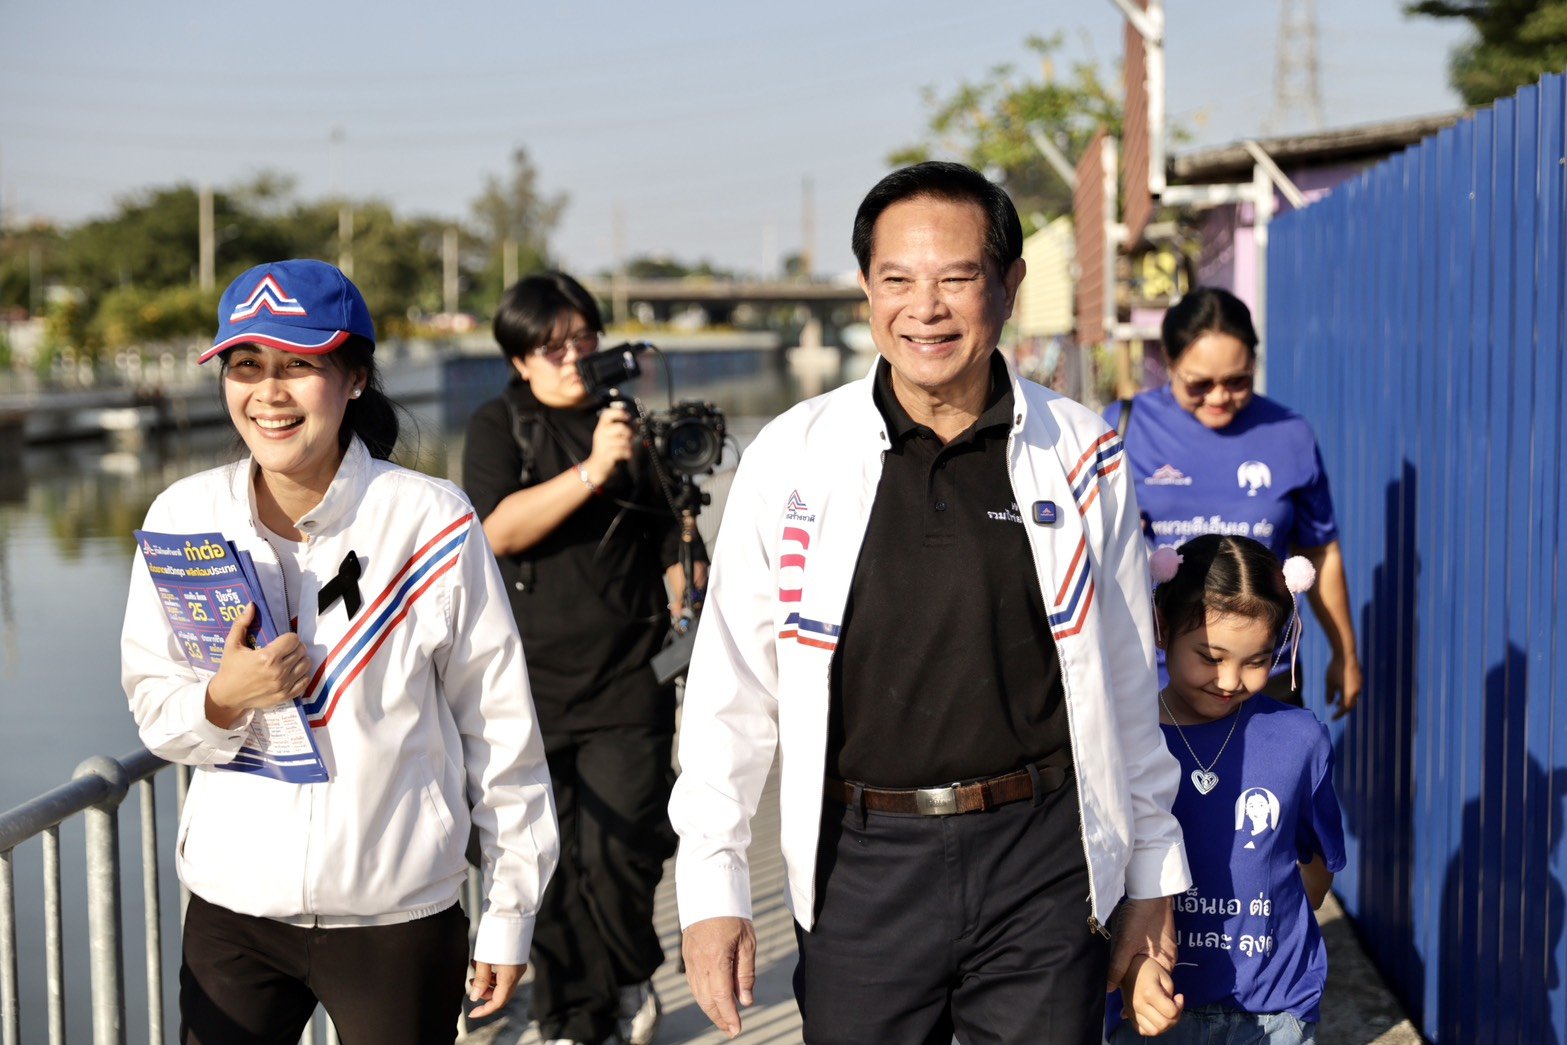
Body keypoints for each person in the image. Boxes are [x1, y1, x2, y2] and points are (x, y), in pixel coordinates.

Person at [670, 161, 1191, 1044]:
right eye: (896, 280)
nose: (925, 308)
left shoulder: (1081, 453)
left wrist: (1151, 874)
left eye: (955, 278)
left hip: (1041, 860)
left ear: (1008, 286)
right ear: (865, 289)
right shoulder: (792, 458)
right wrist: (712, 886)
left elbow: (1127, 681)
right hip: (859, 864)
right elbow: (731, 692)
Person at [120, 259, 559, 1044]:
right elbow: (156, 709)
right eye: (245, 366)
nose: (269, 393)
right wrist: (222, 699)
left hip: (399, 918)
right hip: (233, 916)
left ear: (355, 378)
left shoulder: (430, 521)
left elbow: (498, 729)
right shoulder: (182, 515)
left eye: (298, 365)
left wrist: (510, 910)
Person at [462, 271, 703, 1045]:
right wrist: (594, 469)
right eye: (551, 346)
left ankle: (629, 975)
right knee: (548, 860)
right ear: (519, 359)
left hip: (628, 679)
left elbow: (675, 546)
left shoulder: (629, 423)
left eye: (583, 339)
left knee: (624, 849)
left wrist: (692, 599)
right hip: (524, 686)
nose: (572, 357)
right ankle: (573, 1015)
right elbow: (495, 531)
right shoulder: (499, 426)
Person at [1113, 534, 1346, 1044]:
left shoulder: (1300, 739)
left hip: (1275, 1012)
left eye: (1257, 661)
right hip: (1148, 1007)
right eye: (1211, 656)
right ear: (1161, 627)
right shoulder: (1122, 742)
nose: (1229, 680)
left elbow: (1315, 869)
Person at [1105, 287, 1362, 717]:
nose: (1219, 397)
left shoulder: (1289, 434)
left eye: (1238, 381)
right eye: (1199, 384)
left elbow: (1320, 551)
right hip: (1152, 678)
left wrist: (1345, 653)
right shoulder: (1122, 428)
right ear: (1168, 361)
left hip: (1263, 676)